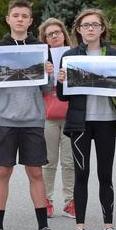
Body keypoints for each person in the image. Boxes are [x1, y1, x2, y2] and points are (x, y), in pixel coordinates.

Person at [0, 0, 60, 230]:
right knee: (3, 171)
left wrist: (49, 72)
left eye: (24, 16)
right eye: (15, 15)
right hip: (4, 119)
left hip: (33, 119)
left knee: (35, 172)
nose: (20, 20)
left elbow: (47, 88)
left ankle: (43, 229)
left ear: (30, 20)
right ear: (8, 19)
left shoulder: (40, 48)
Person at [56, 8, 116, 230]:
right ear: (78, 30)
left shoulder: (115, 55)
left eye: (95, 25)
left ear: (102, 28)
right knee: (82, 174)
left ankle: (109, 226)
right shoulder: (70, 56)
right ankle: (80, 227)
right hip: (81, 123)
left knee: (105, 174)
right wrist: (60, 81)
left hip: (107, 121)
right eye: (86, 25)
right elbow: (63, 96)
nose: (90, 29)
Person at [38, 18, 75, 219]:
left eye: (57, 32)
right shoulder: (42, 59)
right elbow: (36, 87)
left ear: (64, 34)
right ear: (45, 39)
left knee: (69, 162)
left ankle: (70, 202)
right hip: (48, 116)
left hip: (71, 116)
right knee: (49, 162)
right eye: (50, 34)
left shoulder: (74, 55)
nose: (54, 36)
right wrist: (46, 74)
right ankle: (46, 201)